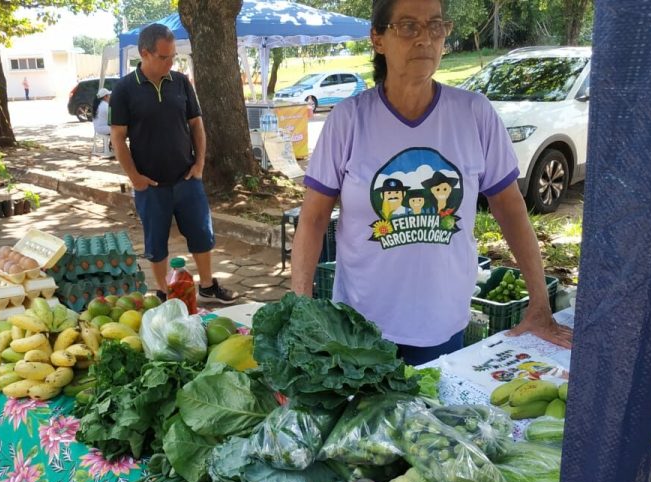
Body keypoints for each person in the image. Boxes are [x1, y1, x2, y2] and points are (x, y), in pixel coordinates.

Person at [291, 0, 572, 365]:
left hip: (441, 324)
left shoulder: (474, 114)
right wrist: (299, 307)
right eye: (408, 26)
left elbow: (511, 208)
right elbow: (312, 219)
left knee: (428, 420)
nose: (425, 39)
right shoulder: (349, 120)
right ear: (378, 38)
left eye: (435, 26)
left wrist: (539, 302)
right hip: (358, 330)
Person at [109, 23, 236, 305]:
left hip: (187, 178)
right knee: (156, 243)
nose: (170, 62)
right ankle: (164, 293)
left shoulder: (181, 83)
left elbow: (197, 126)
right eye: (164, 57)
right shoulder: (124, 90)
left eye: (173, 56)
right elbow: (118, 139)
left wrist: (199, 165)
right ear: (145, 53)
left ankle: (207, 285)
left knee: (202, 234)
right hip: (150, 185)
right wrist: (135, 178)